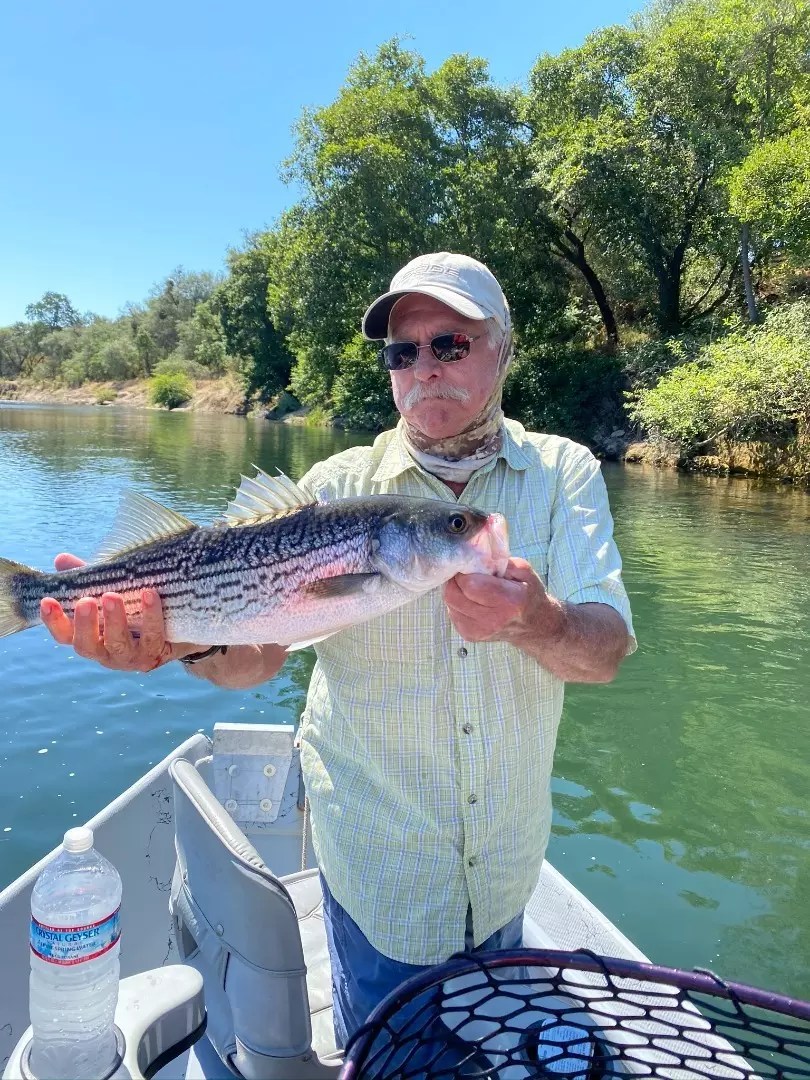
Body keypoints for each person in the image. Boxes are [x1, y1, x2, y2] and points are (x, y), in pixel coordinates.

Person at [41, 252, 636, 1051]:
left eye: (450, 344)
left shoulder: (563, 473)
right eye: (403, 351)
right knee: (389, 1056)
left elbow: (604, 655)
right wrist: (174, 646)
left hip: (503, 875)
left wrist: (538, 620)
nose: (424, 367)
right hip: (376, 881)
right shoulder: (330, 487)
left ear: (503, 348)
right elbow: (253, 657)